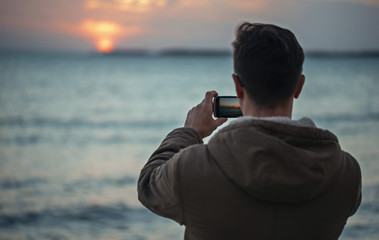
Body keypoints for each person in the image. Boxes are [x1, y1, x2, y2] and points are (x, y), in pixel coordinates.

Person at [137, 22, 361, 240]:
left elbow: (148, 186)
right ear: (299, 86)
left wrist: (189, 132)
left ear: (237, 86)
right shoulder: (346, 174)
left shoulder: (193, 170)